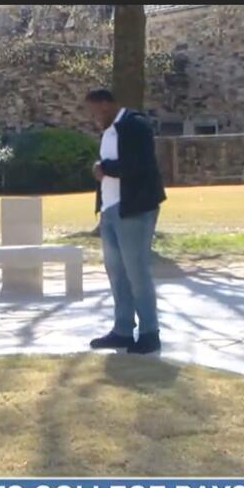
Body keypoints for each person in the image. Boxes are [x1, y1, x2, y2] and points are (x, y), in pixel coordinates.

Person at [84, 88, 167, 354]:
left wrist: (104, 167)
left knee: (137, 272)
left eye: (95, 111)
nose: (93, 117)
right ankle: (122, 330)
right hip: (110, 211)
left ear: (107, 105)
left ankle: (149, 333)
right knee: (117, 273)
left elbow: (138, 164)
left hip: (134, 209)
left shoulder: (135, 125)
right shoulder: (109, 131)